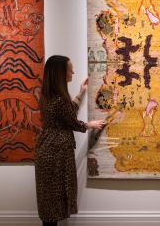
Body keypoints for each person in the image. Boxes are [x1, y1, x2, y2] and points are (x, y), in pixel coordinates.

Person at [35, 55, 106, 226]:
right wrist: (90, 124)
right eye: (70, 68)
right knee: (54, 202)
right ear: (60, 73)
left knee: (49, 203)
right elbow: (72, 122)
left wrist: (81, 93)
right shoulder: (58, 99)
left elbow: (66, 113)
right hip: (55, 154)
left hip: (47, 150)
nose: (73, 71)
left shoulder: (47, 95)